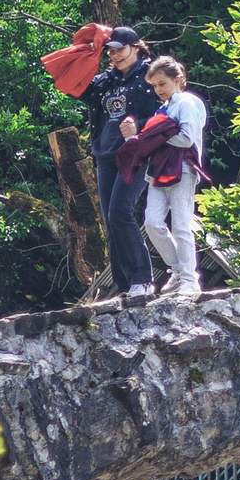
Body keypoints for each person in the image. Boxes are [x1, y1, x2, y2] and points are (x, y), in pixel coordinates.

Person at [122, 56, 209, 295]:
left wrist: (154, 135)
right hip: (158, 171)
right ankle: (178, 269)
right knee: (151, 223)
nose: (158, 90)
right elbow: (154, 138)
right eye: (155, 86)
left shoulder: (186, 102)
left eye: (162, 84)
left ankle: (190, 280)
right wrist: (138, 139)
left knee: (181, 224)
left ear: (178, 79)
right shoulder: (164, 107)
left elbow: (186, 138)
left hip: (183, 168)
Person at [86, 26, 159, 296]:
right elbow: (74, 87)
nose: (115, 56)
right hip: (105, 154)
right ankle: (124, 283)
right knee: (109, 218)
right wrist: (88, 52)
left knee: (120, 211)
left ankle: (142, 278)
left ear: (136, 47)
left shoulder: (152, 74)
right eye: (111, 51)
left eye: (120, 50)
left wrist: (139, 125)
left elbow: (165, 112)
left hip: (135, 153)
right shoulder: (104, 80)